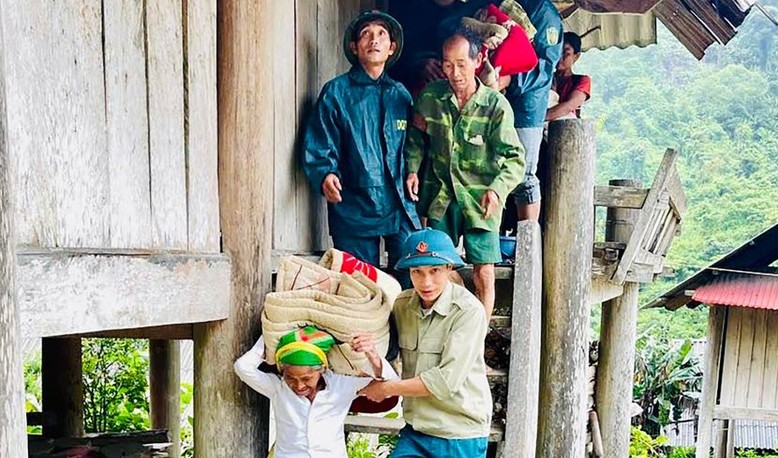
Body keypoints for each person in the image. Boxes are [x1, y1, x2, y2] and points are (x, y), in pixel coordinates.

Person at [405, 30, 525, 322]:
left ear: (478, 60)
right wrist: (412, 169)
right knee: (439, 266)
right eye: (448, 65)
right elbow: (416, 138)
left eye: (461, 64)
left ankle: (478, 334)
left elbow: (515, 158)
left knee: (484, 270)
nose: (455, 73)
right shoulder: (430, 98)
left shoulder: (495, 105)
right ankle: (456, 321)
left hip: (480, 198)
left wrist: (497, 190)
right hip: (441, 196)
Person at [302, 11, 420, 283]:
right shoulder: (336, 92)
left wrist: (414, 170)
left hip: (398, 202)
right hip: (354, 203)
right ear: (355, 47)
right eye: (366, 34)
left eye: (381, 34)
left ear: (391, 48)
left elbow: (414, 145)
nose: (374, 40)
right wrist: (325, 174)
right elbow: (320, 141)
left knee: (412, 277)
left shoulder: (400, 95)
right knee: (361, 285)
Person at [358, 229, 492, 458]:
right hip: (416, 430)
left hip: (459, 433)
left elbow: (445, 382)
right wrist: (370, 353)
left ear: (449, 268)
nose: (426, 282)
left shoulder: (468, 311)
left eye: (434, 270)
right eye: (417, 272)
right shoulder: (402, 305)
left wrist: (387, 389)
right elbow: (389, 358)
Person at [234, 326, 397, 458]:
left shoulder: (342, 386)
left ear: (322, 370)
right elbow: (243, 367)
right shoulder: (278, 388)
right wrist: (271, 335)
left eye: (306, 378)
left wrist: (372, 354)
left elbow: (391, 385)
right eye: (290, 378)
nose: (299, 386)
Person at [503, 0, 563, 222]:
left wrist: (509, 79)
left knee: (523, 176)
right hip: (492, 100)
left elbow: (544, 67)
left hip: (526, 109)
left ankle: (527, 237)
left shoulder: (546, 15)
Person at [546, 31, 591, 121]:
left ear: (576, 56)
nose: (560, 57)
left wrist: (539, 118)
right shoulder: (545, 77)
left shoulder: (582, 80)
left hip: (564, 126)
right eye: (557, 52)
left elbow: (569, 105)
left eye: (566, 53)